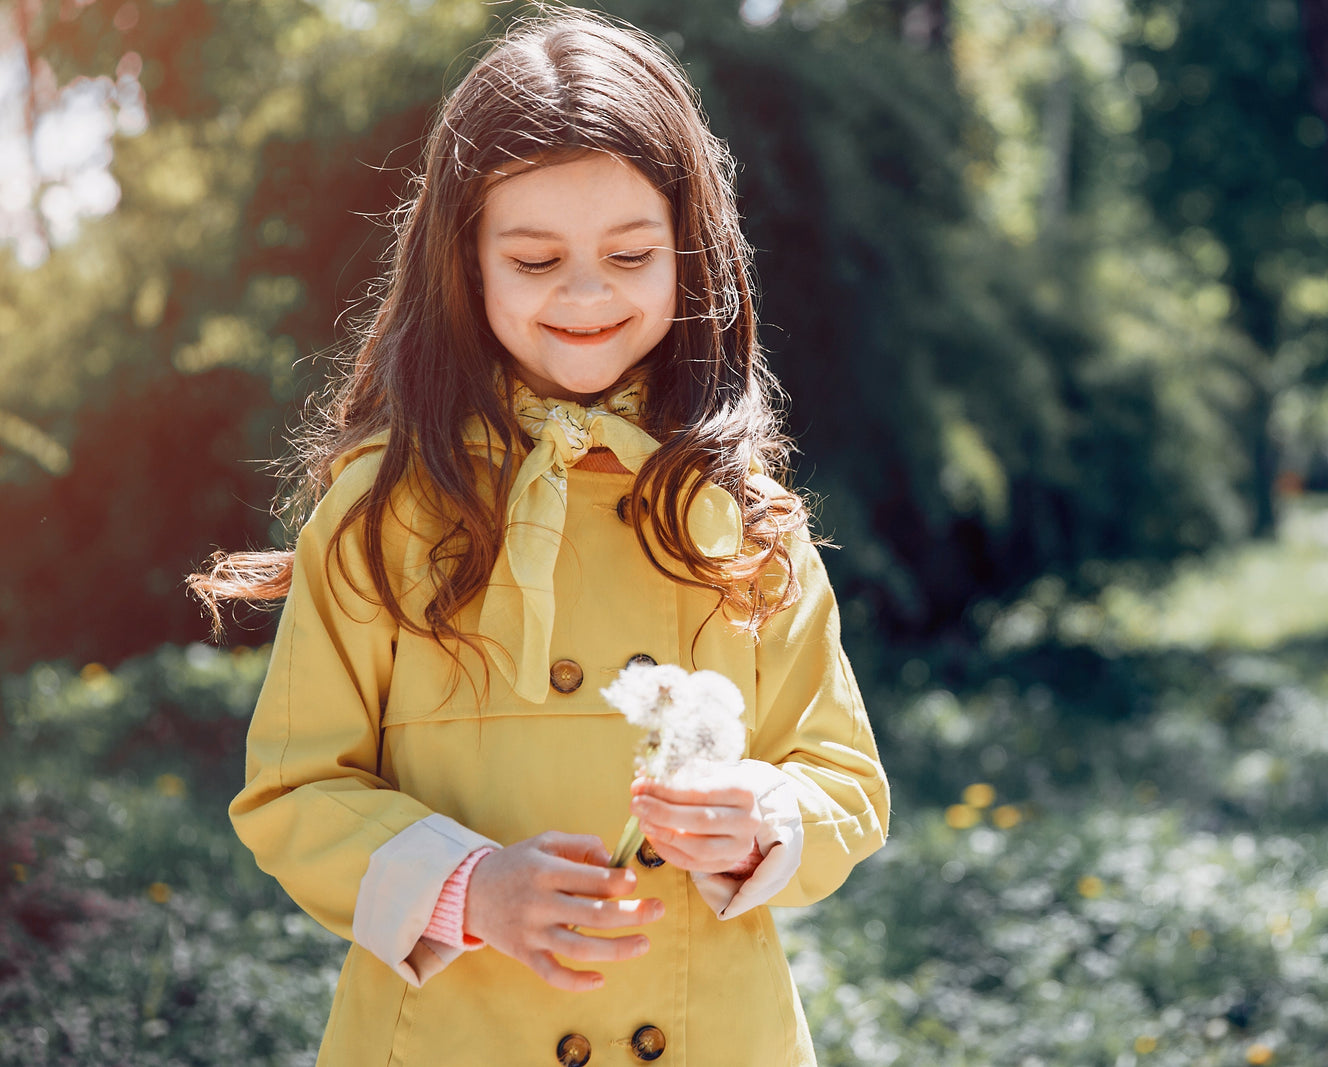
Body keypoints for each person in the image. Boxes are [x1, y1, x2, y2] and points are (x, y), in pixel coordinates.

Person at [188, 11, 888, 1065]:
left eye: (630, 254)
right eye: (534, 258)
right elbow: (293, 789)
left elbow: (844, 776)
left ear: (689, 256)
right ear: (465, 263)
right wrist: (469, 887)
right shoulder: (383, 510)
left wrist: (765, 817)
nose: (587, 293)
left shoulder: (744, 516)